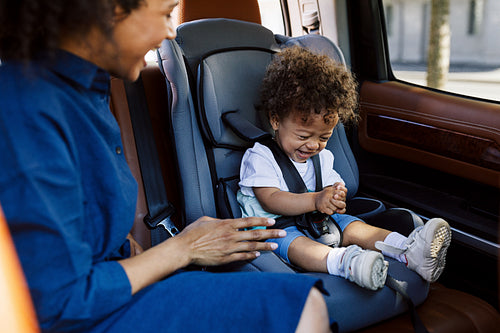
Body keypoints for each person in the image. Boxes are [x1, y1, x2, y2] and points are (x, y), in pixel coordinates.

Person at [0, 1, 333, 332]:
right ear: (111, 10)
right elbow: (60, 303)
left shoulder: (90, 91)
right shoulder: (27, 110)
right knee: (301, 307)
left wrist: (170, 258)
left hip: (112, 292)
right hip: (82, 317)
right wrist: (185, 248)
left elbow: (96, 232)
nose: (170, 31)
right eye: (165, 13)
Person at [238, 46, 452, 291]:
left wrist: (335, 197)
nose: (313, 145)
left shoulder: (323, 157)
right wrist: (317, 200)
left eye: (324, 137)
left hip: (317, 220)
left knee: (353, 225)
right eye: (303, 135)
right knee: (292, 243)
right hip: (276, 227)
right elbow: (271, 200)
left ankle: (409, 250)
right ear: (275, 120)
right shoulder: (261, 156)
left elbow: (334, 186)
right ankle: (348, 263)